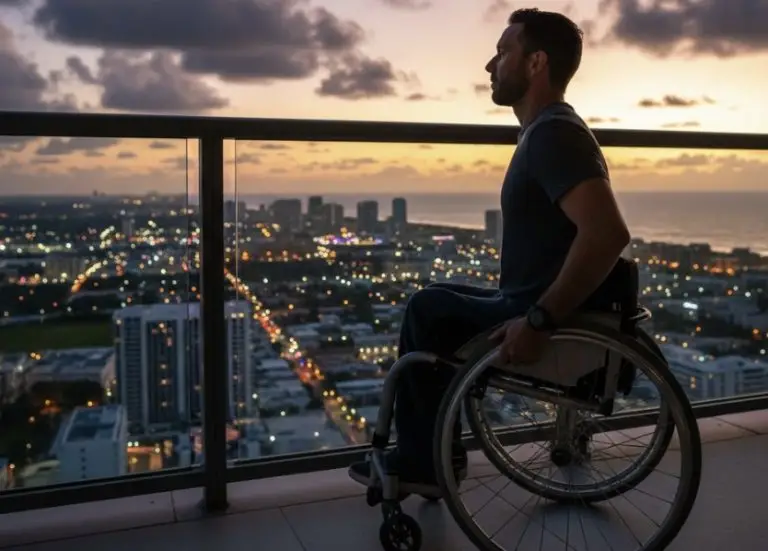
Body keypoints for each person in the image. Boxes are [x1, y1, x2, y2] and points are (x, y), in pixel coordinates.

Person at [348, 7, 631, 499]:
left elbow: (607, 233)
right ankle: (436, 453)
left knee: (427, 310)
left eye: (503, 52)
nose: (489, 66)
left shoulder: (554, 136)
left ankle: (422, 462)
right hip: (532, 300)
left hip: (543, 315)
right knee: (436, 296)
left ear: (536, 63)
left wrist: (539, 320)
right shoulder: (546, 131)